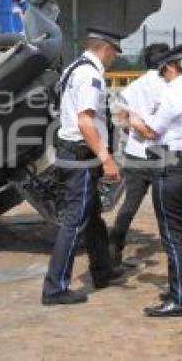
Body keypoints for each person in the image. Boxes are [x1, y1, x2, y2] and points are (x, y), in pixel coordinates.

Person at [128, 44, 182, 317]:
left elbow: (151, 131)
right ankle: (180, 289)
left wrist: (133, 120)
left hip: (173, 167)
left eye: (163, 71)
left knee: (173, 235)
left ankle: (179, 301)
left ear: (172, 67)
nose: (162, 76)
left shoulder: (174, 92)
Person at [41, 28, 126, 306]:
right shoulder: (89, 75)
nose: (114, 58)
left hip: (73, 153)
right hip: (81, 157)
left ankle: (102, 270)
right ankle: (55, 289)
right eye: (114, 52)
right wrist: (106, 158)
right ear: (105, 48)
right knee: (74, 222)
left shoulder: (73, 68)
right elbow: (85, 122)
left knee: (92, 217)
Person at [108, 43, 170, 265]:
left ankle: (114, 251)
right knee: (166, 206)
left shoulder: (135, 85)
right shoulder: (171, 86)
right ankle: (174, 251)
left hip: (136, 153)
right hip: (163, 155)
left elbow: (119, 115)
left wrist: (131, 129)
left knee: (129, 205)